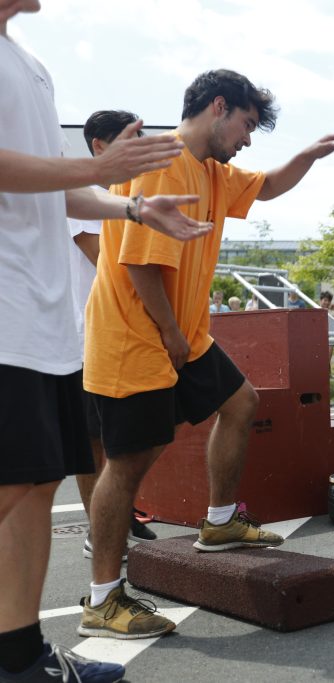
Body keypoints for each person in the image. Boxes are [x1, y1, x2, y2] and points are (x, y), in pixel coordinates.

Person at [81, 68, 334, 640]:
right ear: (219, 107)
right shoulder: (161, 159)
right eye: (247, 125)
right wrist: (174, 338)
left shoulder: (212, 171)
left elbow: (269, 185)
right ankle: (102, 601)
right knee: (129, 464)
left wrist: (309, 154)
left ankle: (220, 522)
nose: (248, 139)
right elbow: (139, 263)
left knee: (242, 403)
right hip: (137, 335)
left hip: (184, 334)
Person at [1, 4, 212, 678]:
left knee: (34, 484)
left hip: (41, 320)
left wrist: (132, 204)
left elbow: (52, 191)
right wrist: (99, 172)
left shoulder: (30, 68)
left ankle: (21, 658)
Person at [71, 111, 160, 564]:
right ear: (99, 147)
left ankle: (114, 516)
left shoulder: (126, 198)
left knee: (129, 437)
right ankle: (98, 529)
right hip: (83, 333)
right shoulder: (84, 198)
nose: (140, 150)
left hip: (119, 332)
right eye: (131, 141)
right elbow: (110, 258)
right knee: (94, 441)